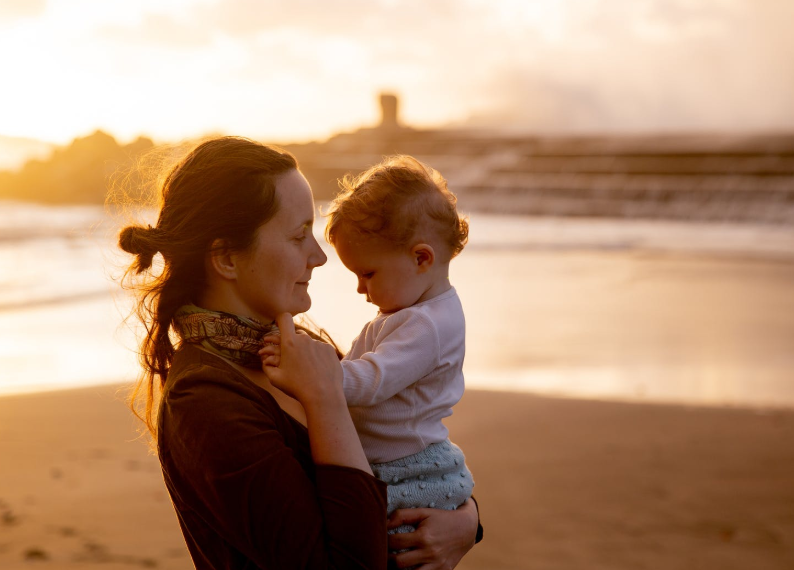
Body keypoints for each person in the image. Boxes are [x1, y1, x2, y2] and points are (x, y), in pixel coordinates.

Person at [118, 136, 481, 570]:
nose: (320, 257)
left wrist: (466, 521)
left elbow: (401, 444)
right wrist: (325, 399)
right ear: (227, 258)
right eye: (298, 235)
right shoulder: (205, 404)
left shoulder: (300, 350)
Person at [261, 156, 475, 532]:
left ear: (421, 258)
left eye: (368, 273)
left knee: (378, 538)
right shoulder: (418, 311)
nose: (360, 288)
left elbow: (374, 379)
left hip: (405, 468)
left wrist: (315, 372)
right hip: (395, 460)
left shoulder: (427, 324)